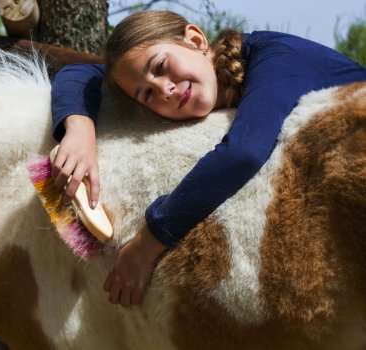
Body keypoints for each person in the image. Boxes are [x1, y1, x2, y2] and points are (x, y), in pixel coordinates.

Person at [50, 10, 366, 307]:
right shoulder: (219, 77)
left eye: (160, 67)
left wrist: (148, 243)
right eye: (147, 94)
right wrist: (79, 129)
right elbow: (82, 72)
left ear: (196, 40)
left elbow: (243, 153)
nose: (165, 89)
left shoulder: (276, 60)